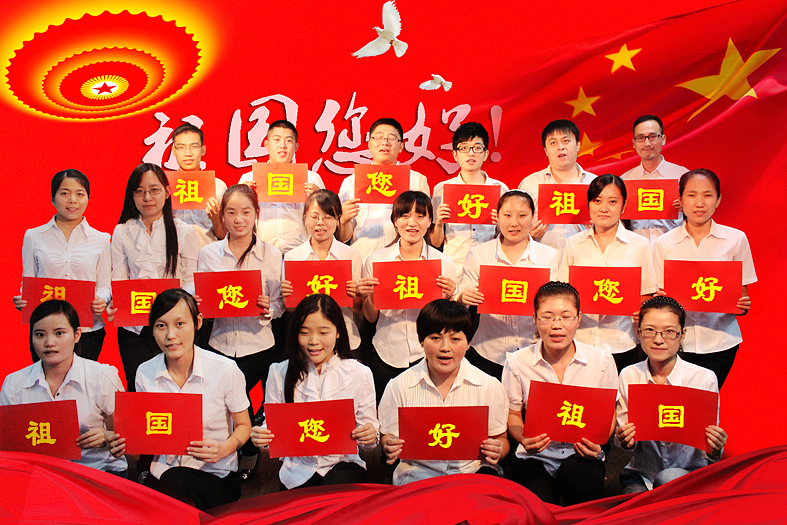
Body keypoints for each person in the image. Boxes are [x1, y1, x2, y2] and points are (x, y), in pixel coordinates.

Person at [109, 289, 251, 510]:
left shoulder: (225, 370)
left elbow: (244, 425)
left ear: (197, 322)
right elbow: (145, 435)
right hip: (164, 472)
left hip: (215, 475)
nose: (170, 335)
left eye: (180, 324)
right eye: (161, 326)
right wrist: (122, 442)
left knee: (172, 489)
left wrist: (225, 448)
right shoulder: (145, 372)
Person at [503, 282, 618, 505]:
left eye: (566, 317)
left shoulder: (601, 361)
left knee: (581, 483)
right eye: (547, 317)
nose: (557, 325)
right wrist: (523, 437)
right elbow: (513, 413)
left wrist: (599, 440)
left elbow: (609, 412)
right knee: (537, 504)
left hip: (582, 453)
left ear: (579, 318)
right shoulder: (517, 362)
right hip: (536, 455)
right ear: (535, 319)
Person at [250, 294, 378, 489]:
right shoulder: (279, 372)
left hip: (343, 464)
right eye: (305, 332)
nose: (314, 341)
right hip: (297, 471)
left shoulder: (359, 373)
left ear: (338, 332)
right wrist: (262, 436)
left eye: (323, 332)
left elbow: (369, 439)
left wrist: (370, 435)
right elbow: (273, 430)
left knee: (333, 491)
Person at [379, 299, 509, 484]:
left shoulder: (489, 385)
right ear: (421, 341)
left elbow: (501, 439)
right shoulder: (398, 386)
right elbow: (388, 436)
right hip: (417, 477)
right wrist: (388, 444)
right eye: (435, 338)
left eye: (455, 339)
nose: (445, 348)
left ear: (468, 343)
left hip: (471, 475)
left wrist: (499, 449)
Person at [653, 169, 755, 388]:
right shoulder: (664, 243)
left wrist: (742, 304)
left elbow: (742, 295)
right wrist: (659, 299)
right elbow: (658, 294)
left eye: (707, 195)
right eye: (691, 195)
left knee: (706, 402)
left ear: (718, 200)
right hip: (675, 344)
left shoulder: (735, 239)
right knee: (676, 403)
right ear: (680, 200)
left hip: (720, 342)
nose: (699, 203)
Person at [1, 300, 127, 476]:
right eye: (40, 335)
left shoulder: (101, 376)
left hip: (97, 471)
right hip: (39, 474)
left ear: (77, 335)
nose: (49, 342)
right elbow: (8, 444)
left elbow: (128, 439)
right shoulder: (14, 383)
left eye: (59, 333)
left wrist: (107, 436)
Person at [616, 296, 727, 492]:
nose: (658, 340)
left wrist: (716, 447)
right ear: (638, 332)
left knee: (669, 477)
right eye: (649, 330)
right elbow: (622, 443)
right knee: (635, 500)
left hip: (689, 473)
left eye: (669, 332)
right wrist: (625, 439)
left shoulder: (703, 378)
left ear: (682, 335)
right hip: (642, 474)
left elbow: (710, 451)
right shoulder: (629, 375)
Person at [359, 191, 457, 401]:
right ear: (395, 220)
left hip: (428, 355)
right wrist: (368, 297)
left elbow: (447, 320)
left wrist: (449, 299)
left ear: (430, 221)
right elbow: (371, 317)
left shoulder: (443, 263)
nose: (412, 223)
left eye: (420, 216)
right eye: (405, 215)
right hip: (386, 351)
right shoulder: (376, 260)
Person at [111, 163, 200, 390]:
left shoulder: (183, 230)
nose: (147, 197)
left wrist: (188, 300)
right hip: (134, 328)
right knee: (139, 388)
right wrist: (115, 304)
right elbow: (119, 280)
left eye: (154, 190)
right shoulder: (122, 231)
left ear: (167, 192)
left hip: (173, 327)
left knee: (175, 387)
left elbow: (191, 278)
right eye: (139, 191)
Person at [557, 174, 657, 372]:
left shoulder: (640, 245)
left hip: (623, 341)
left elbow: (646, 293)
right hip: (580, 341)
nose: (604, 208)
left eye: (612, 201)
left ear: (623, 206)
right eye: (597, 201)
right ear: (589, 204)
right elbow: (562, 292)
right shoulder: (573, 244)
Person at [197, 184, 283, 407]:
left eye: (246, 212)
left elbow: (280, 303)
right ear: (222, 216)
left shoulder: (272, 255)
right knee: (222, 408)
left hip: (260, 347)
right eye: (231, 212)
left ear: (256, 213)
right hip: (219, 346)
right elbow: (203, 301)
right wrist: (198, 304)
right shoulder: (208, 254)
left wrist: (269, 309)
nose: (239, 220)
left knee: (261, 412)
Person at [458, 190, 559, 380]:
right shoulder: (479, 254)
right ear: (497, 217)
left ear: (533, 217)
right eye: (507, 215)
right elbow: (460, 306)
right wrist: (463, 298)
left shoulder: (548, 256)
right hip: (488, 351)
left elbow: (555, 304)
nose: (514, 223)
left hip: (534, 351)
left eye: (522, 215)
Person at [14, 169, 111, 361]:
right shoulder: (34, 236)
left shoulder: (101, 239)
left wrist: (101, 299)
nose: (72, 200)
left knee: (84, 379)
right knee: (46, 378)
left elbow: (105, 285)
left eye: (80, 194)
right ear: (53, 198)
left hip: (87, 329)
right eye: (65, 193)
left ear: (88, 198)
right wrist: (24, 299)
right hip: (46, 329)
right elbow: (29, 281)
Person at [282, 190, 363, 353]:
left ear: (338, 220)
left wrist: (353, 294)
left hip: (344, 336)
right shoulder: (293, 257)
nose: (320, 223)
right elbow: (290, 309)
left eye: (327, 217)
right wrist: (287, 297)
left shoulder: (351, 255)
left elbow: (358, 307)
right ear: (305, 218)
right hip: (307, 339)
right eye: (314, 216)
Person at [338, 118, 431, 261]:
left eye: (392, 138)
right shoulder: (351, 182)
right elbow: (343, 237)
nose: (385, 142)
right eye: (378, 137)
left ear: (401, 146)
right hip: (363, 258)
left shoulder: (416, 180)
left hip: (403, 261)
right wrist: (344, 220)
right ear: (369, 144)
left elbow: (425, 225)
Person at [430, 122, 509, 275]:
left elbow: (508, 237)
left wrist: (501, 224)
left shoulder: (500, 189)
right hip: (454, 266)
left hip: (489, 264)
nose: (471, 153)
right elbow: (435, 242)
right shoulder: (442, 189)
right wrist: (439, 222)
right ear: (455, 154)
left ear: (486, 154)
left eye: (477, 148)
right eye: (464, 148)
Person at [238, 120, 326, 254]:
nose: (283, 146)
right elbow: (235, 218)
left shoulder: (312, 178)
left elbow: (328, 218)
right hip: (261, 252)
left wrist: (321, 199)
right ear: (266, 144)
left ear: (296, 146)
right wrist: (240, 197)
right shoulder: (249, 178)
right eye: (277, 140)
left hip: (300, 252)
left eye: (289, 141)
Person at [517, 119, 597, 252]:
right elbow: (515, 224)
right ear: (545, 150)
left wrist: (601, 228)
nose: (560, 147)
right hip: (542, 258)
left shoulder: (594, 183)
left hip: (584, 257)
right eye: (553, 143)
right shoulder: (530, 184)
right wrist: (528, 234)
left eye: (566, 141)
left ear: (578, 145)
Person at [620, 115, 687, 244]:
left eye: (652, 136)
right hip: (637, 248)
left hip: (674, 246)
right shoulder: (625, 180)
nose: (647, 143)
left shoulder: (681, 175)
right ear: (634, 143)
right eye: (641, 138)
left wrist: (687, 206)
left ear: (663, 139)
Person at [170, 123, 228, 248]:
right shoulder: (164, 186)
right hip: (172, 256)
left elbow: (225, 236)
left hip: (205, 255)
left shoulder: (217, 186)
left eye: (194, 147)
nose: (188, 153)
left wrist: (216, 219)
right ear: (174, 151)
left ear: (203, 150)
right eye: (181, 147)